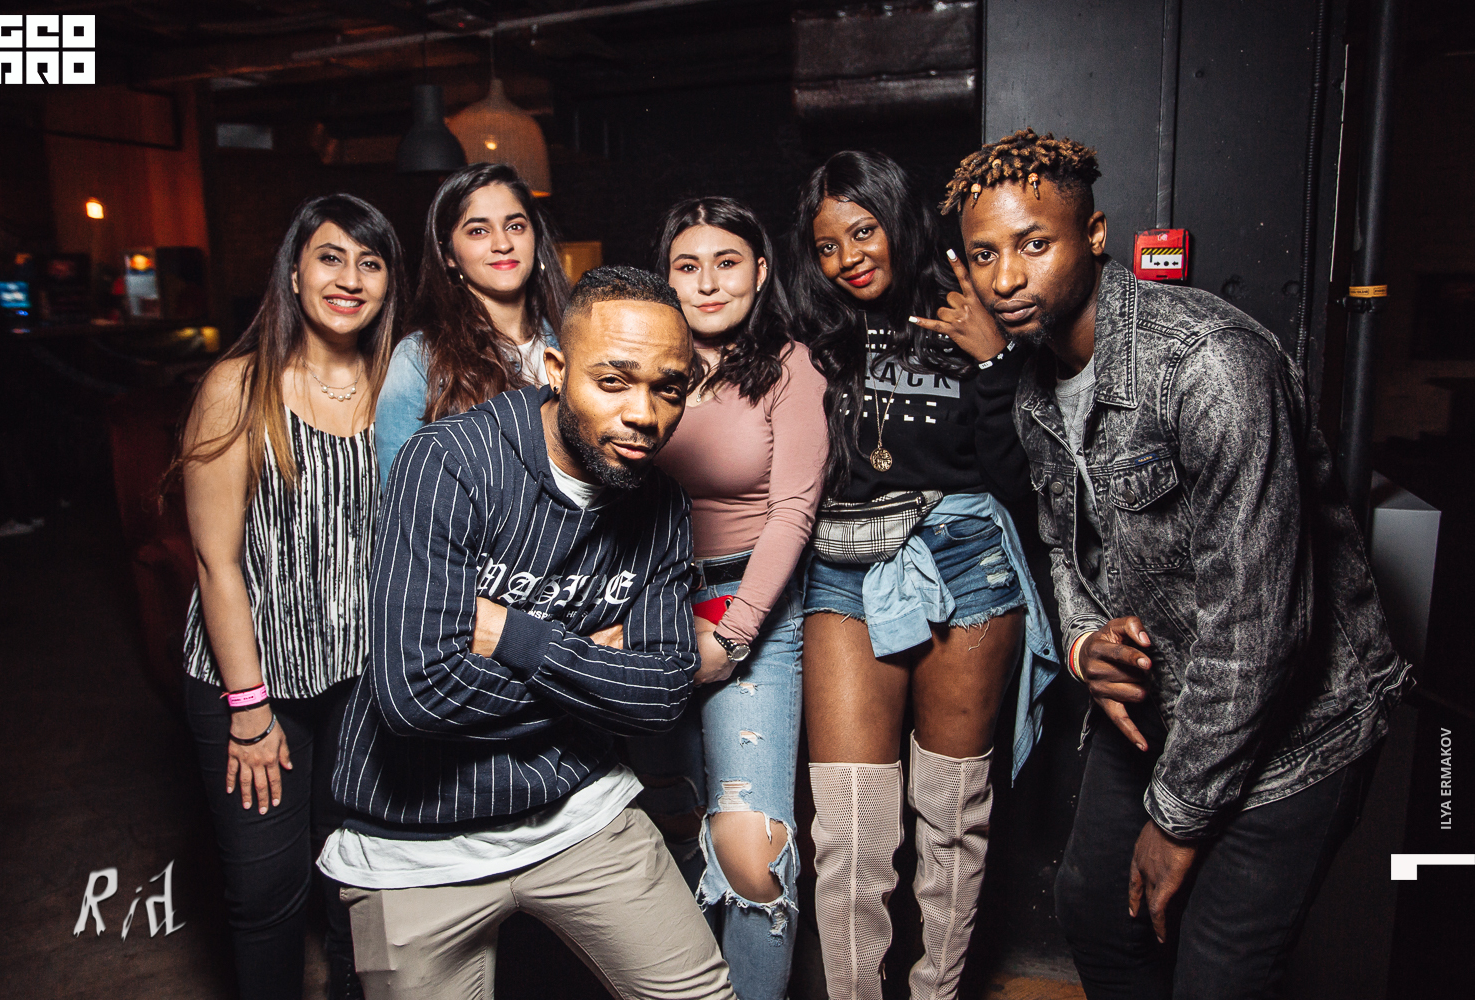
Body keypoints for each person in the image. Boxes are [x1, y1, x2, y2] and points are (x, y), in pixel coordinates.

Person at [942, 127, 1411, 999]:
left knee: (1219, 973)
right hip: (1162, 708)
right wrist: (1083, 643)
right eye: (983, 254)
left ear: (1095, 235)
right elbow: (1064, 547)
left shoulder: (1211, 366)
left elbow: (1261, 630)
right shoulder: (1035, 388)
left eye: (1033, 245)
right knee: (1094, 913)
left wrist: (1177, 819)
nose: (1004, 279)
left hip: (1298, 732)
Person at [318, 266, 738, 1000]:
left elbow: (660, 696)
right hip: (416, 842)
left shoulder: (661, 503)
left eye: (668, 389)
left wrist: (515, 635)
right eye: (613, 381)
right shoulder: (449, 463)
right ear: (555, 369)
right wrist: (595, 672)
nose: (643, 413)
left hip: (581, 813)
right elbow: (414, 695)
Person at [787, 150, 1060, 1000]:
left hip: (966, 560)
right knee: (851, 831)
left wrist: (995, 363)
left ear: (897, 219)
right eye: (828, 245)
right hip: (846, 566)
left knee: (952, 817)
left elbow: (1020, 484)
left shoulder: (970, 308)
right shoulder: (811, 331)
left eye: (862, 231)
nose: (847, 258)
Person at [173, 193, 406, 1000]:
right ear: (295, 273)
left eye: (370, 263)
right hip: (252, 681)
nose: (350, 279)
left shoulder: (398, 387)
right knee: (268, 895)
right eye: (330, 258)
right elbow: (215, 563)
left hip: (359, 683)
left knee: (361, 885)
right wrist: (248, 711)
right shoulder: (238, 386)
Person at [627, 196, 828, 1000]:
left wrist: (735, 633)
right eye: (688, 266)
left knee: (751, 852)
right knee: (660, 837)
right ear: (666, 277)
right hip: (644, 608)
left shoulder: (790, 366)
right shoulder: (648, 366)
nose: (708, 283)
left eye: (727, 262)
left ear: (761, 270)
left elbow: (794, 513)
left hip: (749, 607)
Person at [373, 161, 569, 486]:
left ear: (535, 236)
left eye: (515, 226)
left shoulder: (573, 341)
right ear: (449, 255)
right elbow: (403, 494)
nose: (502, 243)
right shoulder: (418, 357)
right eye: (478, 230)